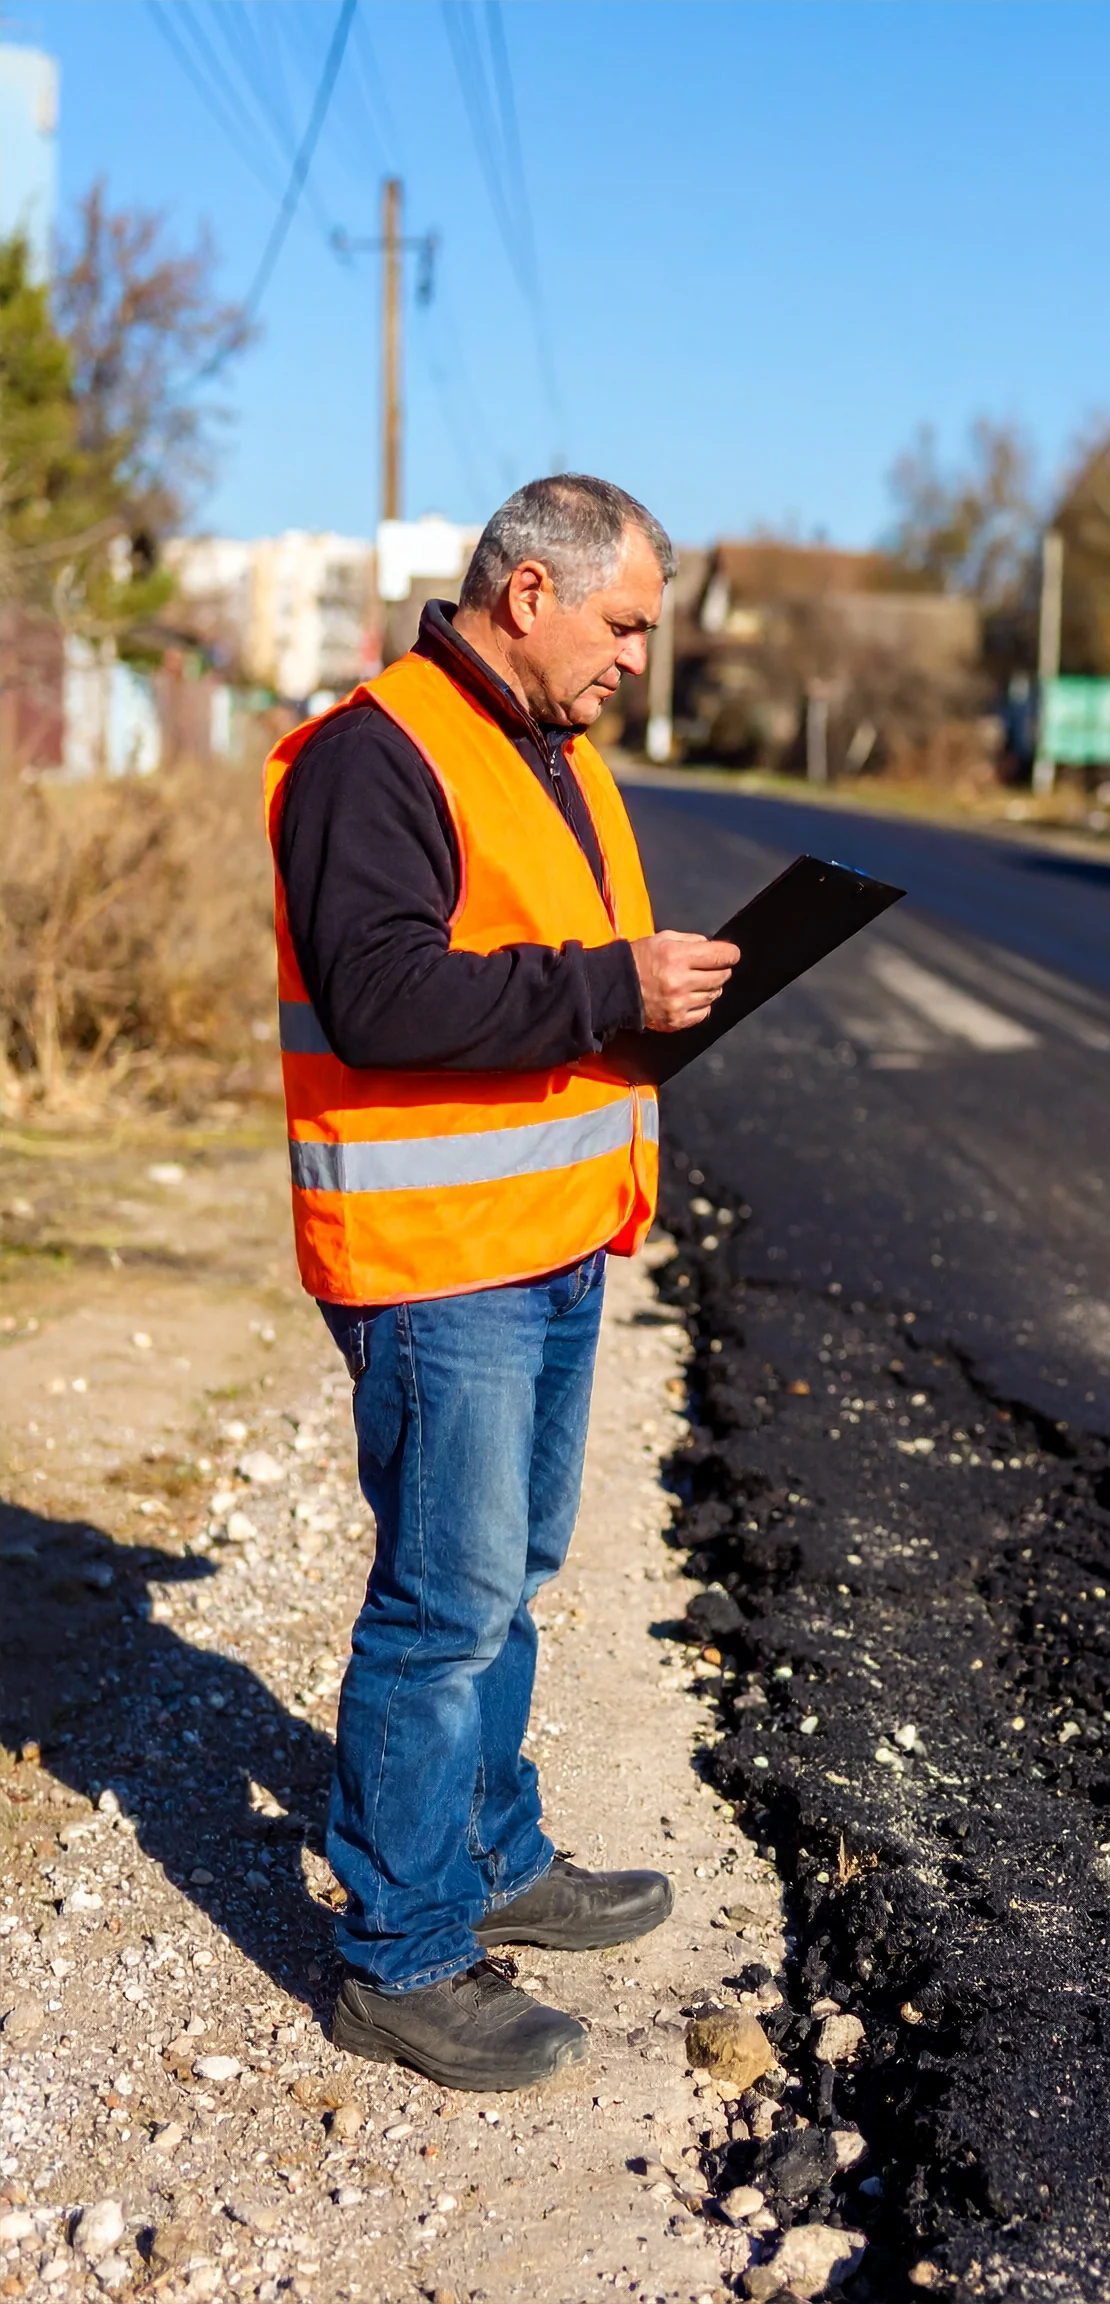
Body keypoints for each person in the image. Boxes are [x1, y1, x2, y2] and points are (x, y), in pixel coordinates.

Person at [263, 475, 738, 2091]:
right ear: (529, 593)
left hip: (545, 1236)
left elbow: (539, 977)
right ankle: (400, 1956)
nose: (636, 661)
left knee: (509, 1574)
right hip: (438, 1259)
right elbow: (384, 994)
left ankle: (490, 1854)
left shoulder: (552, 750)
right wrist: (614, 985)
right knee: (443, 1604)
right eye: (625, 625)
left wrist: (649, 997)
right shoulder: (375, 754)